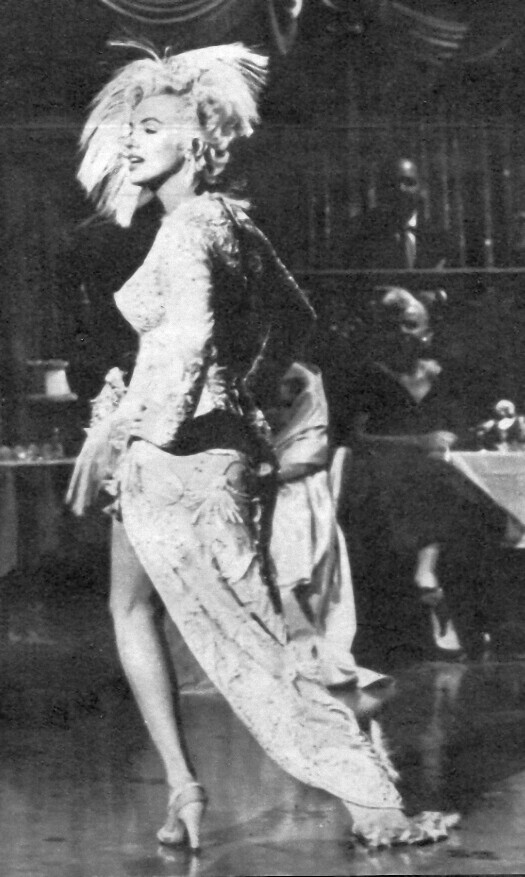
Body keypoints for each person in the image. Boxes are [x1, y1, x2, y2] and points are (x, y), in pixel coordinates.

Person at [66, 43, 457, 850]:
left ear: (201, 140)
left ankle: (365, 795)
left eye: (151, 127)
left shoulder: (192, 228)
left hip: (174, 454)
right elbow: (294, 317)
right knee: (137, 608)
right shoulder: (227, 221)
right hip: (200, 444)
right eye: (129, 128)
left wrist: (125, 429)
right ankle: (185, 789)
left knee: (244, 638)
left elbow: (188, 342)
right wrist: (239, 387)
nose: (131, 140)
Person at [345, 287, 506, 666]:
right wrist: (417, 442)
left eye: (414, 326)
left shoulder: (442, 374)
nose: (406, 334)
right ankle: (428, 578)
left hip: (436, 469)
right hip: (383, 467)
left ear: (428, 331)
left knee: (468, 494)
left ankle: (454, 600)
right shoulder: (370, 375)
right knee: (426, 481)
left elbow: (462, 426)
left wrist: (464, 435)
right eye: (397, 326)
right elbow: (356, 437)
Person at [268, 360, 387, 691]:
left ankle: (306, 651)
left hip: (297, 498)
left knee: (289, 574)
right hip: (277, 495)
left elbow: (304, 456)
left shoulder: (307, 408)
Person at [348, 156, 455, 270]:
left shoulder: (438, 237)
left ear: (422, 189)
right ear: (380, 189)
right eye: (393, 183)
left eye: (409, 182)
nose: (401, 188)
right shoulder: (359, 233)